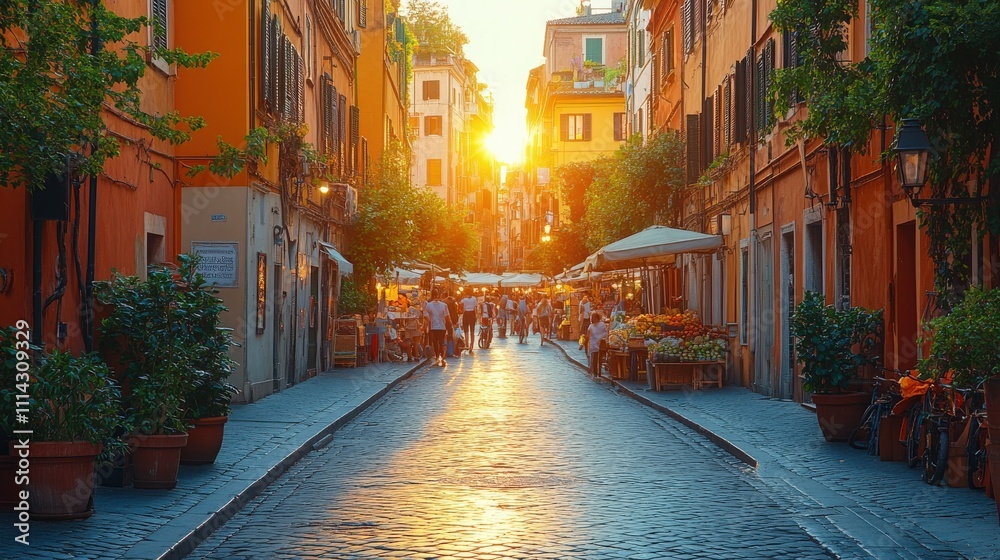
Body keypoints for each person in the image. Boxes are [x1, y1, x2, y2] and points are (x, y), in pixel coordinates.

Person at [423, 289, 450, 367]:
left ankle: (437, 357)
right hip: (442, 327)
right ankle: (442, 358)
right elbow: (447, 316)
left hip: (433, 327)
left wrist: (429, 320)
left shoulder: (429, 305)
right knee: (441, 343)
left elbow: (425, 314)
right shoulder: (444, 305)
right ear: (439, 295)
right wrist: (450, 325)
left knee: (435, 343)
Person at [585, 311, 609, 378]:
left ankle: (596, 373)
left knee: (596, 359)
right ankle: (597, 372)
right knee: (598, 359)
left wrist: (586, 342)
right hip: (599, 344)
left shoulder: (593, 326)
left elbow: (588, 335)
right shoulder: (601, 324)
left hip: (596, 344)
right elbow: (606, 332)